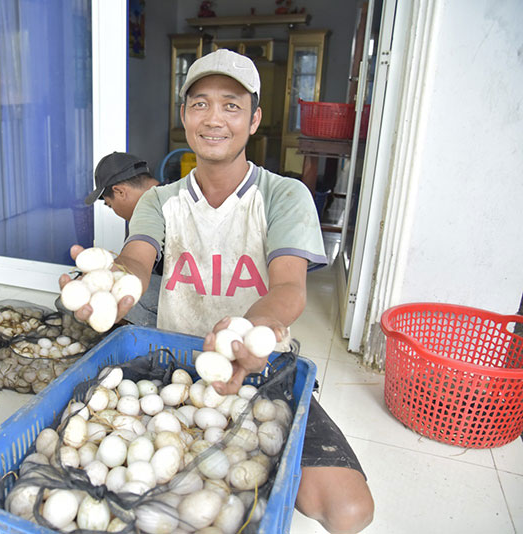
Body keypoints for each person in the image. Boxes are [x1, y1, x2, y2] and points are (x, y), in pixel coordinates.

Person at [61, 49, 374, 533]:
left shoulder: (283, 194)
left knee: (348, 511)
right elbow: (136, 260)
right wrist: (109, 282)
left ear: (255, 119)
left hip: (260, 364)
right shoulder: (159, 202)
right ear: (185, 115)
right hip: (173, 367)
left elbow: (288, 288)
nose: (214, 118)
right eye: (200, 103)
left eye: (231, 105)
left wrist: (253, 328)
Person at [84, 151, 162, 327]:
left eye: (111, 206)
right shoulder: (173, 191)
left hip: (197, 301)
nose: (116, 213)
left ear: (119, 192)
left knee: (105, 298)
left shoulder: (156, 207)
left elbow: (137, 265)